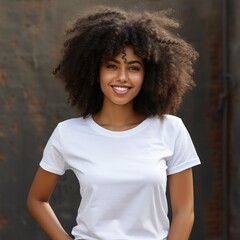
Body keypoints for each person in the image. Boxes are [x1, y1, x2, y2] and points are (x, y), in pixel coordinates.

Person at [27, 6, 201, 240]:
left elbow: (184, 212)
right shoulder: (68, 133)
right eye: (111, 66)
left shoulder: (171, 129)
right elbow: (37, 200)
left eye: (133, 68)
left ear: (148, 74)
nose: (122, 77)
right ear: (94, 71)